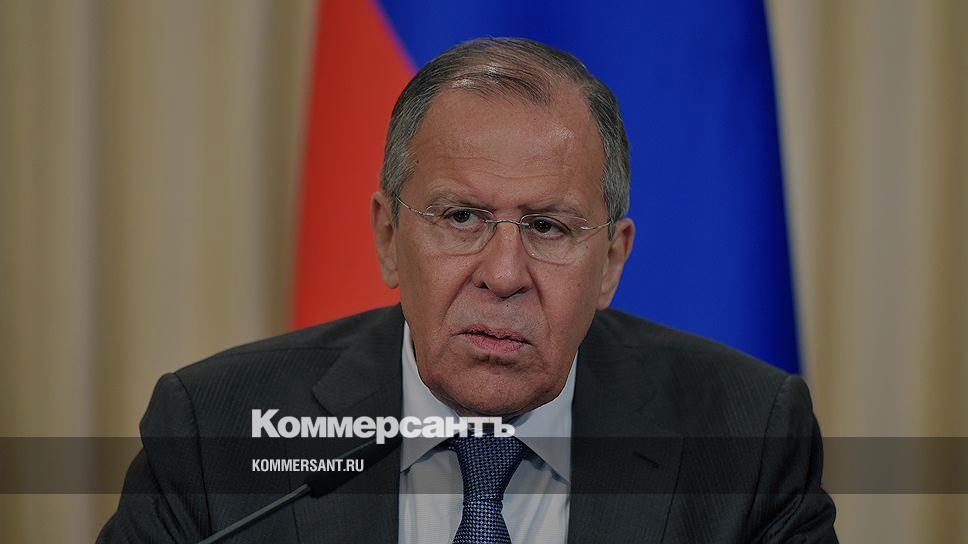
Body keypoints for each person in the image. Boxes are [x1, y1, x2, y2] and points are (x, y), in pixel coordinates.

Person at [99, 37, 837, 543]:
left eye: (548, 227)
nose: (505, 274)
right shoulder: (217, 433)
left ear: (611, 262)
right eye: (461, 218)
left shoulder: (747, 440)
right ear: (388, 236)